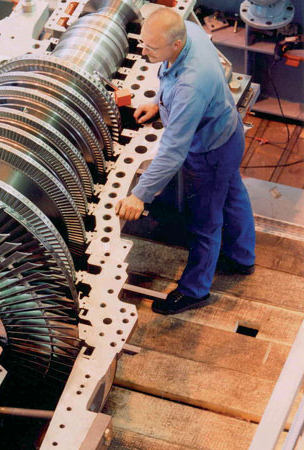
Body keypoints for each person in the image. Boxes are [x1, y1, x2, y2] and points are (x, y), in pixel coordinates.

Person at [115, 8, 256, 315]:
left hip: (209, 152)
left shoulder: (191, 86)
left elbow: (173, 151)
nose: (144, 52)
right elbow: (170, 73)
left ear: (175, 44)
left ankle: (195, 290)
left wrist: (139, 195)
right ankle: (242, 257)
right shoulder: (188, 31)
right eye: (144, 43)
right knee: (232, 193)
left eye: (151, 48)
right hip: (227, 135)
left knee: (204, 222)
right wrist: (159, 102)